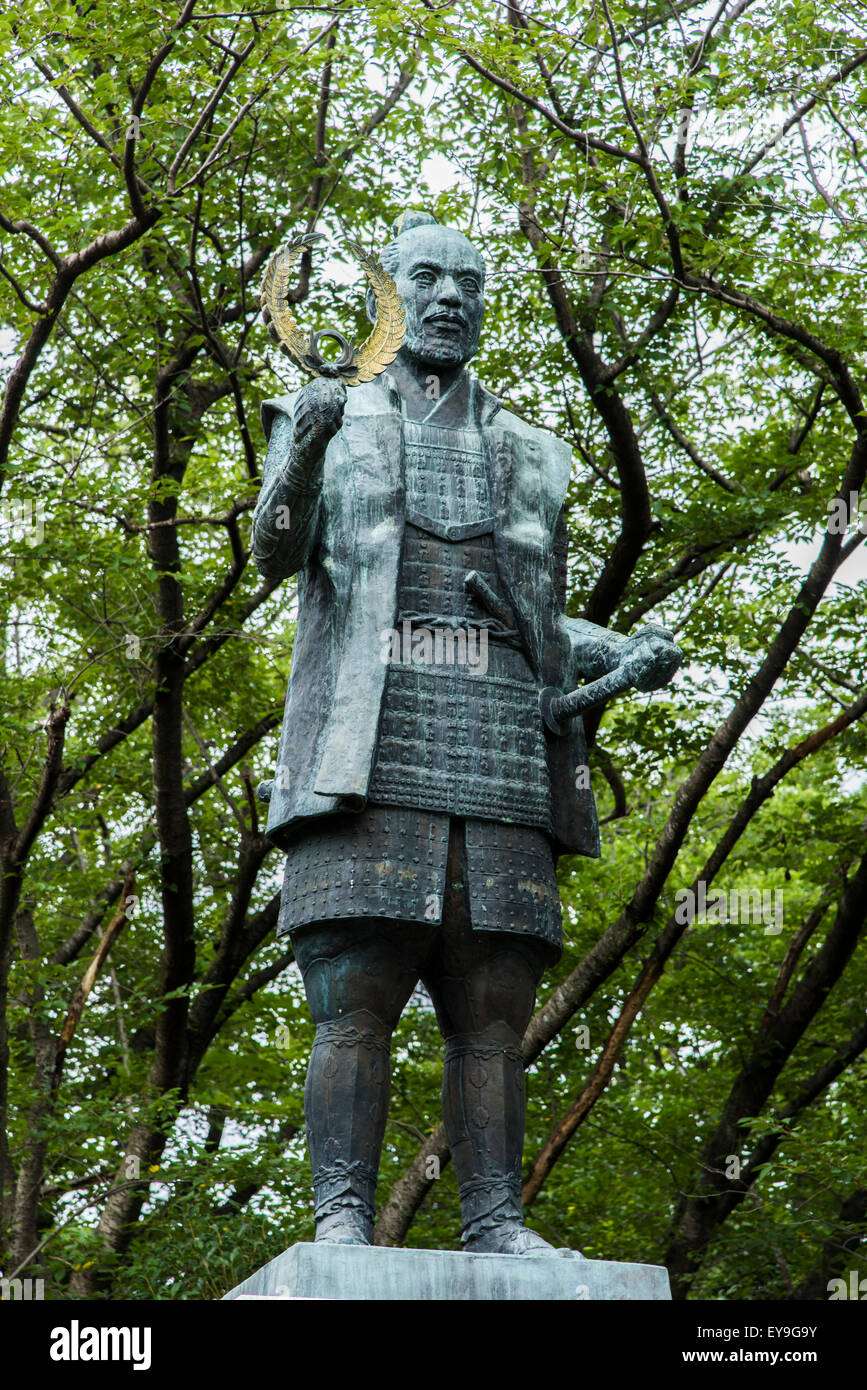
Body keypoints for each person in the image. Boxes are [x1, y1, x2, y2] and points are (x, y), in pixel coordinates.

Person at [251, 211, 680, 1255]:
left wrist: (626, 646)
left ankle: (496, 1216)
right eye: (427, 279)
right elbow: (274, 552)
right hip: (369, 749)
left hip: (500, 752)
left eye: (469, 283)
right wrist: (303, 439)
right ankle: (341, 1217)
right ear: (384, 297)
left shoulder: (536, 455)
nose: (450, 298)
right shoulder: (328, 417)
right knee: (355, 993)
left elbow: (537, 626)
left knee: (493, 1008)